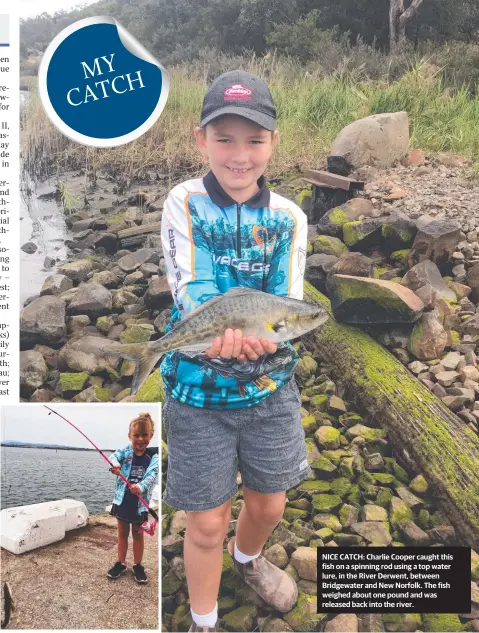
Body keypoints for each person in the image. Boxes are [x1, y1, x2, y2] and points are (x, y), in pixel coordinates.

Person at [160, 70, 309, 632]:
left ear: (274, 143)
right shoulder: (184, 201)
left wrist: (258, 337)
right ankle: (204, 621)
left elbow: (285, 302)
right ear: (201, 140)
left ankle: (245, 558)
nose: (239, 155)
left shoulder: (289, 218)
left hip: (271, 388)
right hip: (196, 392)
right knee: (204, 523)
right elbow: (190, 286)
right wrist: (224, 333)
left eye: (254, 140)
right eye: (224, 138)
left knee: (270, 503)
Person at [107, 412, 159, 584]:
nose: (140, 439)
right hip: (123, 501)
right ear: (130, 436)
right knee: (122, 534)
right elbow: (114, 456)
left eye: (145, 435)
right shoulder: (126, 451)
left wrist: (141, 487)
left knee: (137, 535)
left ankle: (137, 565)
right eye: (136, 435)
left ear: (151, 436)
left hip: (140, 505)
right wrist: (115, 465)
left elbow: (152, 476)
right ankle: (121, 563)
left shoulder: (153, 456)